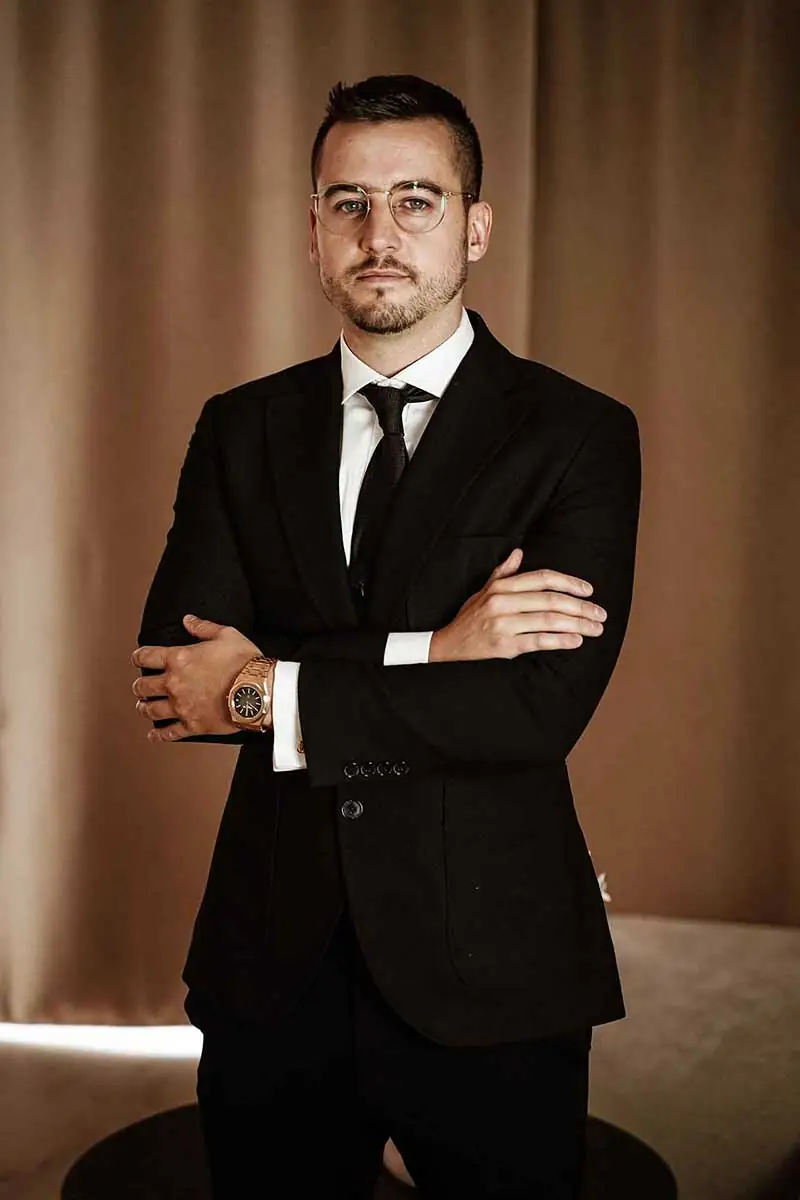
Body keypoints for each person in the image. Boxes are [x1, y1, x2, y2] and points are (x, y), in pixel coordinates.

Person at [132, 74, 641, 1199]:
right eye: (348, 202)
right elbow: (178, 679)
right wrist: (439, 651)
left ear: (474, 228)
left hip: (491, 963)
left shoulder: (577, 434)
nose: (379, 234)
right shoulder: (239, 427)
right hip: (273, 964)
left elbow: (534, 708)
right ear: (312, 231)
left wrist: (272, 684)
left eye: (415, 200)